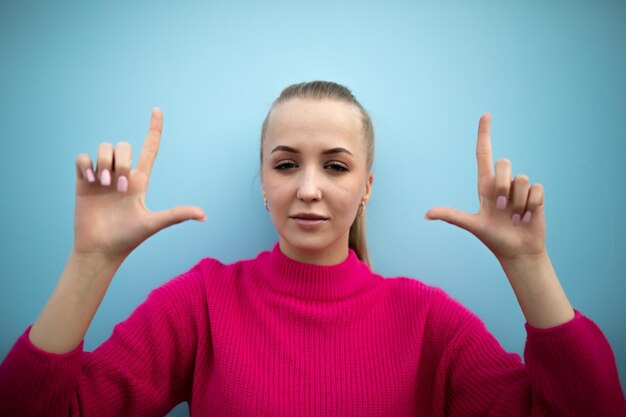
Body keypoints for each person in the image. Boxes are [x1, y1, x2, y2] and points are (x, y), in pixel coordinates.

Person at [0, 81, 624, 416]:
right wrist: (92, 261)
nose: (308, 189)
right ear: (264, 182)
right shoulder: (204, 302)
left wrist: (527, 264)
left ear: (366, 186)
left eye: (336, 165)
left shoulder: (426, 319)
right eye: (285, 164)